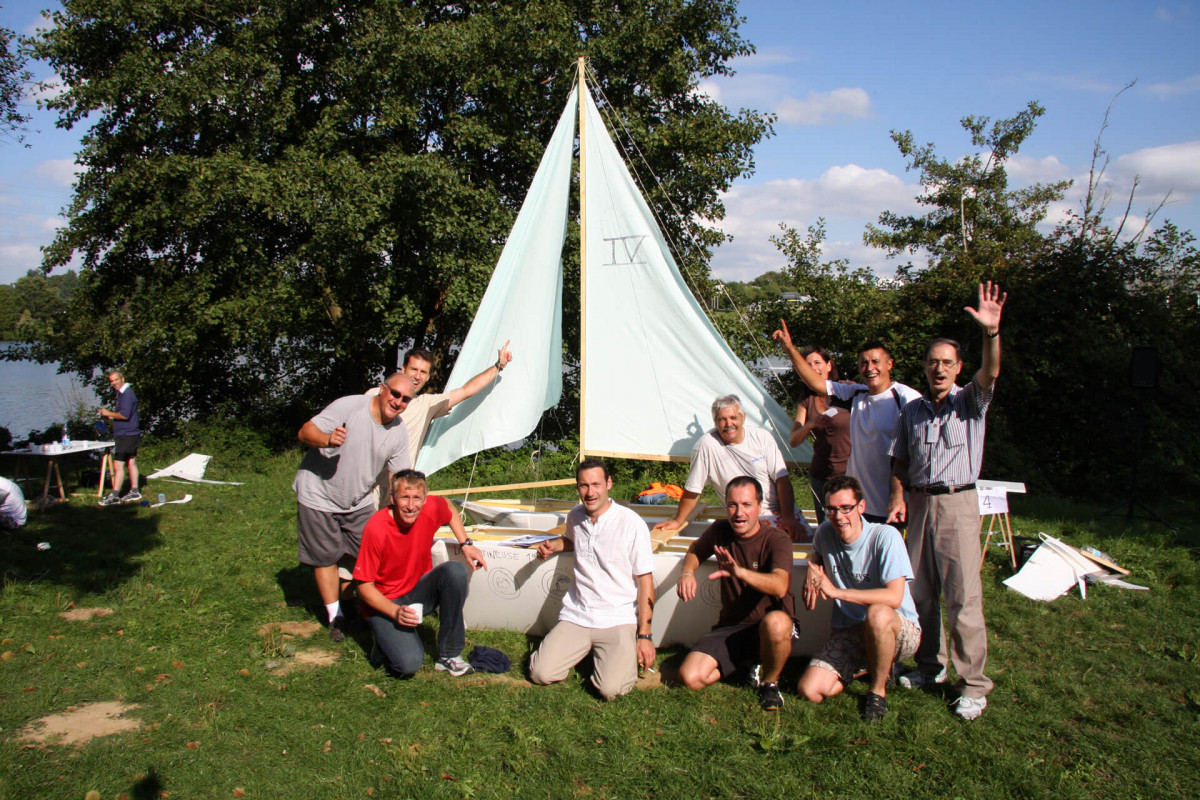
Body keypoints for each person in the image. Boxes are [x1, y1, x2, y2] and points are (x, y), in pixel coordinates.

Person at [888, 281, 1006, 721]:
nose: (939, 369)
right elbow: (898, 462)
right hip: (919, 506)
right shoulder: (911, 411)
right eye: (933, 362)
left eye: (947, 363)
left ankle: (974, 685)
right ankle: (928, 667)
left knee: (962, 597)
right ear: (924, 366)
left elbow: (991, 372)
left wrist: (990, 333)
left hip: (957, 504)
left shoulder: (970, 402)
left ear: (958, 368)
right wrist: (899, 497)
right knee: (920, 593)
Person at [293, 374, 415, 641]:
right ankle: (335, 616)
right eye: (395, 394)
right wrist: (327, 439)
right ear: (383, 389)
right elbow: (304, 432)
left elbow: (399, 475)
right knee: (325, 557)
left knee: (370, 555)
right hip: (318, 494)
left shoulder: (398, 430)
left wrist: (406, 502)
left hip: (357, 501)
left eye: (406, 399)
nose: (398, 402)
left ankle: (359, 605)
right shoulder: (349, 406)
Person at [528, 459, 656, 699]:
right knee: (540, 673)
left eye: (596, 484)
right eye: (584, 486)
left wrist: (645, 635)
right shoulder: (575, 516)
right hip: (578, 614)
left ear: (609, 483)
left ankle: (611, 658)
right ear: (578, 488)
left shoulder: (631, 524)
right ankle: (589, 652)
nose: (590, 492)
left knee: (611, 691)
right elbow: (573, 540)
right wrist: (554, 545)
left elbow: (645, 581)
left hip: (617, 617)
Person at [796, 475, 921, 722]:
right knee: (810, 690)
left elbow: (894, 597)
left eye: (846, 508)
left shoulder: (886, 537)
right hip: (851, 631)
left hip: (899, 629)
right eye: (831, 509)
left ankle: (877, 691)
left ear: (861, 507)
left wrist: (837, 592)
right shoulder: (824, 533)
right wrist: (814, 566)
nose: (839, 517)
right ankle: (869, 665)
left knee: (878, 612)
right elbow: (818, 554)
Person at [676, 476, 802, 711]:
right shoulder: (720, 530)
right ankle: (747, 664)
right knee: (690, 677)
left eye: (746, 505)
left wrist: (739, 572)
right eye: (732, 505)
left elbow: (779, 585)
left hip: (772, 625)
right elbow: (695, 549)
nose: (738, 513)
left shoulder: (777, 539)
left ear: (759, 506)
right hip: (732, 626)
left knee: (776, 623)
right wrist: (686, 573)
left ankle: (770, 683)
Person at [774, 325, 920, 524]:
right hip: (859, 505)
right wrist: (790, 349)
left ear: (889, 364)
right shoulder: (856, 394)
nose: (869, 368)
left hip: (894, 502)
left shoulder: (905, 398)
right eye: (863, 363)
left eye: (875, 362)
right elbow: (816, 383)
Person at [353, 469, 488, 677]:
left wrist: (466, 544)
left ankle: (449, 655)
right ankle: (381, 643)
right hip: (384, 602)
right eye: (404, 498)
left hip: (416, 590)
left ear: (424, 500)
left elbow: (449, 507)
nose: (410, 506)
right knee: (409, 666)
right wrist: (395, 612)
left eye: (416, 498)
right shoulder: (376, 528)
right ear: (392, 499)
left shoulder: (430, 508)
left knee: (455, 571)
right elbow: (363, 587)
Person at [367, 342, 514, 507]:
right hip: (367, 485)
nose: (417, 376)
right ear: (403, 369)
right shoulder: (374, 395)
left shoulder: (426, 404)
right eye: (413, 369)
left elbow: (466, 391)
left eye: (423, 372)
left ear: (428, 377)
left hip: (401, 490)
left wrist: (498, 366)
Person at [653, 395, 805, 542]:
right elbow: (694, 488)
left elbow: (782, 479)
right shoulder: (706, 446)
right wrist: (678, 521)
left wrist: (789, 518)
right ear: (715, 422)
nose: (728, 424)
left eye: (733, 418)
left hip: (782, 511)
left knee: (800, 539)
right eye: (722, 420)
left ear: (743, 417)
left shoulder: (762, 438)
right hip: (744, 516)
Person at [787, 346, 851, 525]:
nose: (813, 368)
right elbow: (793, 440)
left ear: (829, 366)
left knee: (850, 525)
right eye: (808, 364)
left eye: (818, 362)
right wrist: (809, 425)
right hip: (821, 476)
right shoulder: (807, 400)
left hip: (850, 474)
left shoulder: (847, 391)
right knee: (827, 527)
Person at [98, 370, 142, 505]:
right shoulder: (123, 394)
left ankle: (115, 495)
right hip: (130, 433)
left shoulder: (127, 394)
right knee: (131, 461)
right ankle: (135, 491)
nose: (113, 383)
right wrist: (112, 416)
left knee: (118, 464)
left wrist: (108, 412)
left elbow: (124, 415)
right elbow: (124, 414)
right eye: (111, 381)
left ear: (122, 379)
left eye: (116, 380)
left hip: (126, 434)